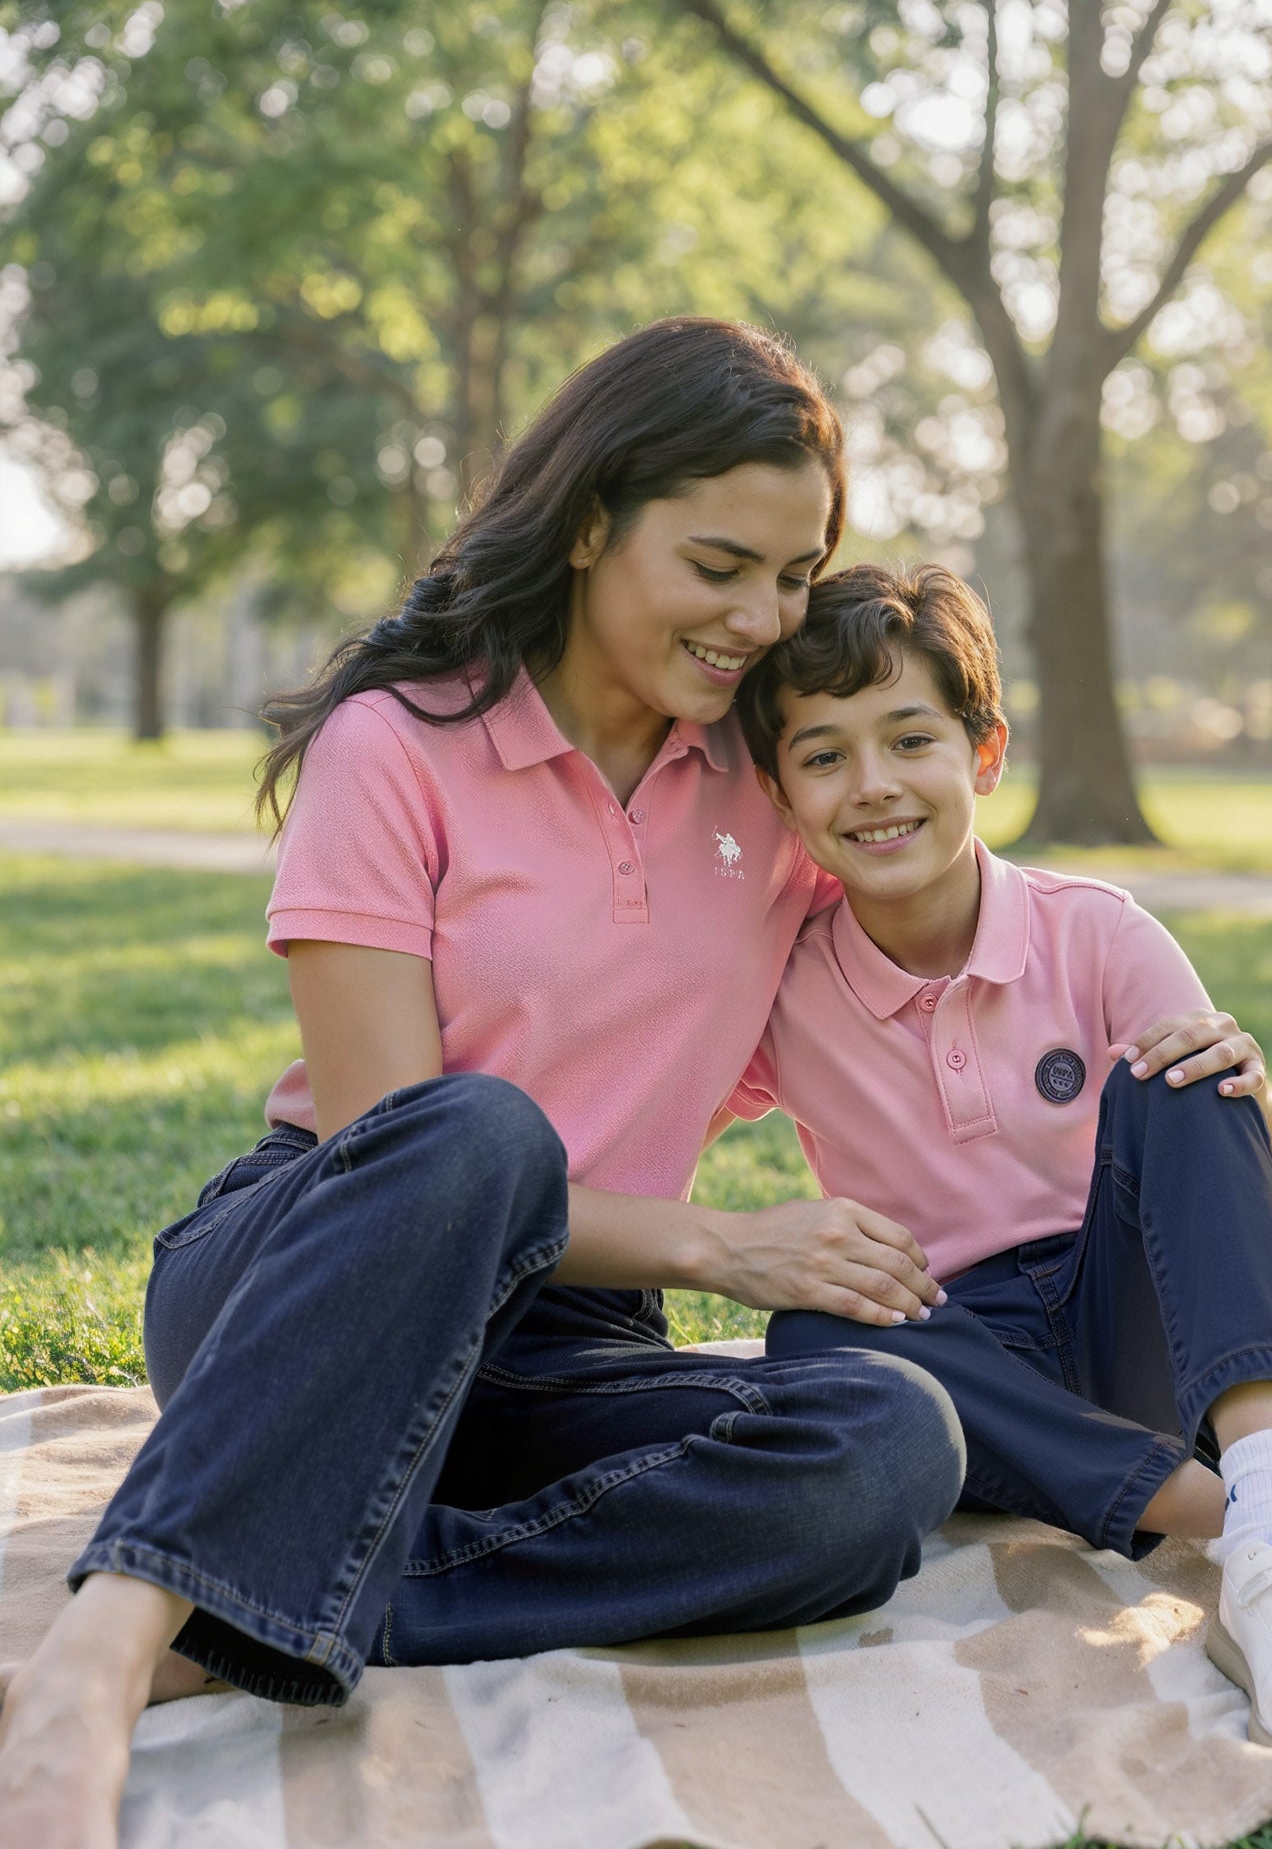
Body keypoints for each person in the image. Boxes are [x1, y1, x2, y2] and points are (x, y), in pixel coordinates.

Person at [0, 321, 968, 1849]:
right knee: (477, 1131)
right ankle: (102, 1650)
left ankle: (262, 1603)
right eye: (719, 565)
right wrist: (724, 1243)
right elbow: (397, 1140)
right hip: (314, 1278)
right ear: (591, 521)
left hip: (566, 1343)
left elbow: (965, 953)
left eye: (793, 575)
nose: (762, 618)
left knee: (889, 1447)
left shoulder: (770, 780)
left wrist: (1179, 1061)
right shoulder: (395, 746)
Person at [729, 561, 1272, 1777]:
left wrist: (1246, 1099)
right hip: (965, 1356)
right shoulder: (775, 986)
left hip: (1130, 1311)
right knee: (807, 1339)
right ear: (778, 793)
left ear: (984, 755)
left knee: (1187, 1072)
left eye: (909, 738)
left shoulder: (1096, 930)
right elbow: (638, 1119)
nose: (872, 785)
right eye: (822, 755)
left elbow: (1260, 1171)